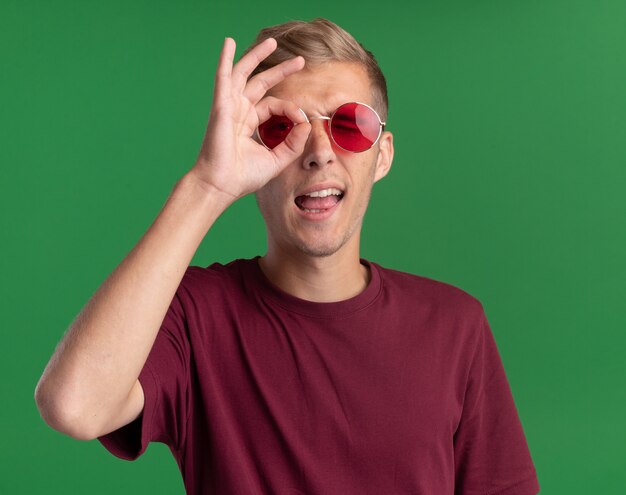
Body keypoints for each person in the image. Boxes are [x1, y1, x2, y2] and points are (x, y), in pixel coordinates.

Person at [35, 18, 540, 495]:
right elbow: (73, 406)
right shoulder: (195, 317)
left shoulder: (455, 325)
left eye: (350, 125)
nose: (318, 151)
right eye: (282, 127)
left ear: (382, 155)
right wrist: (208, 185)